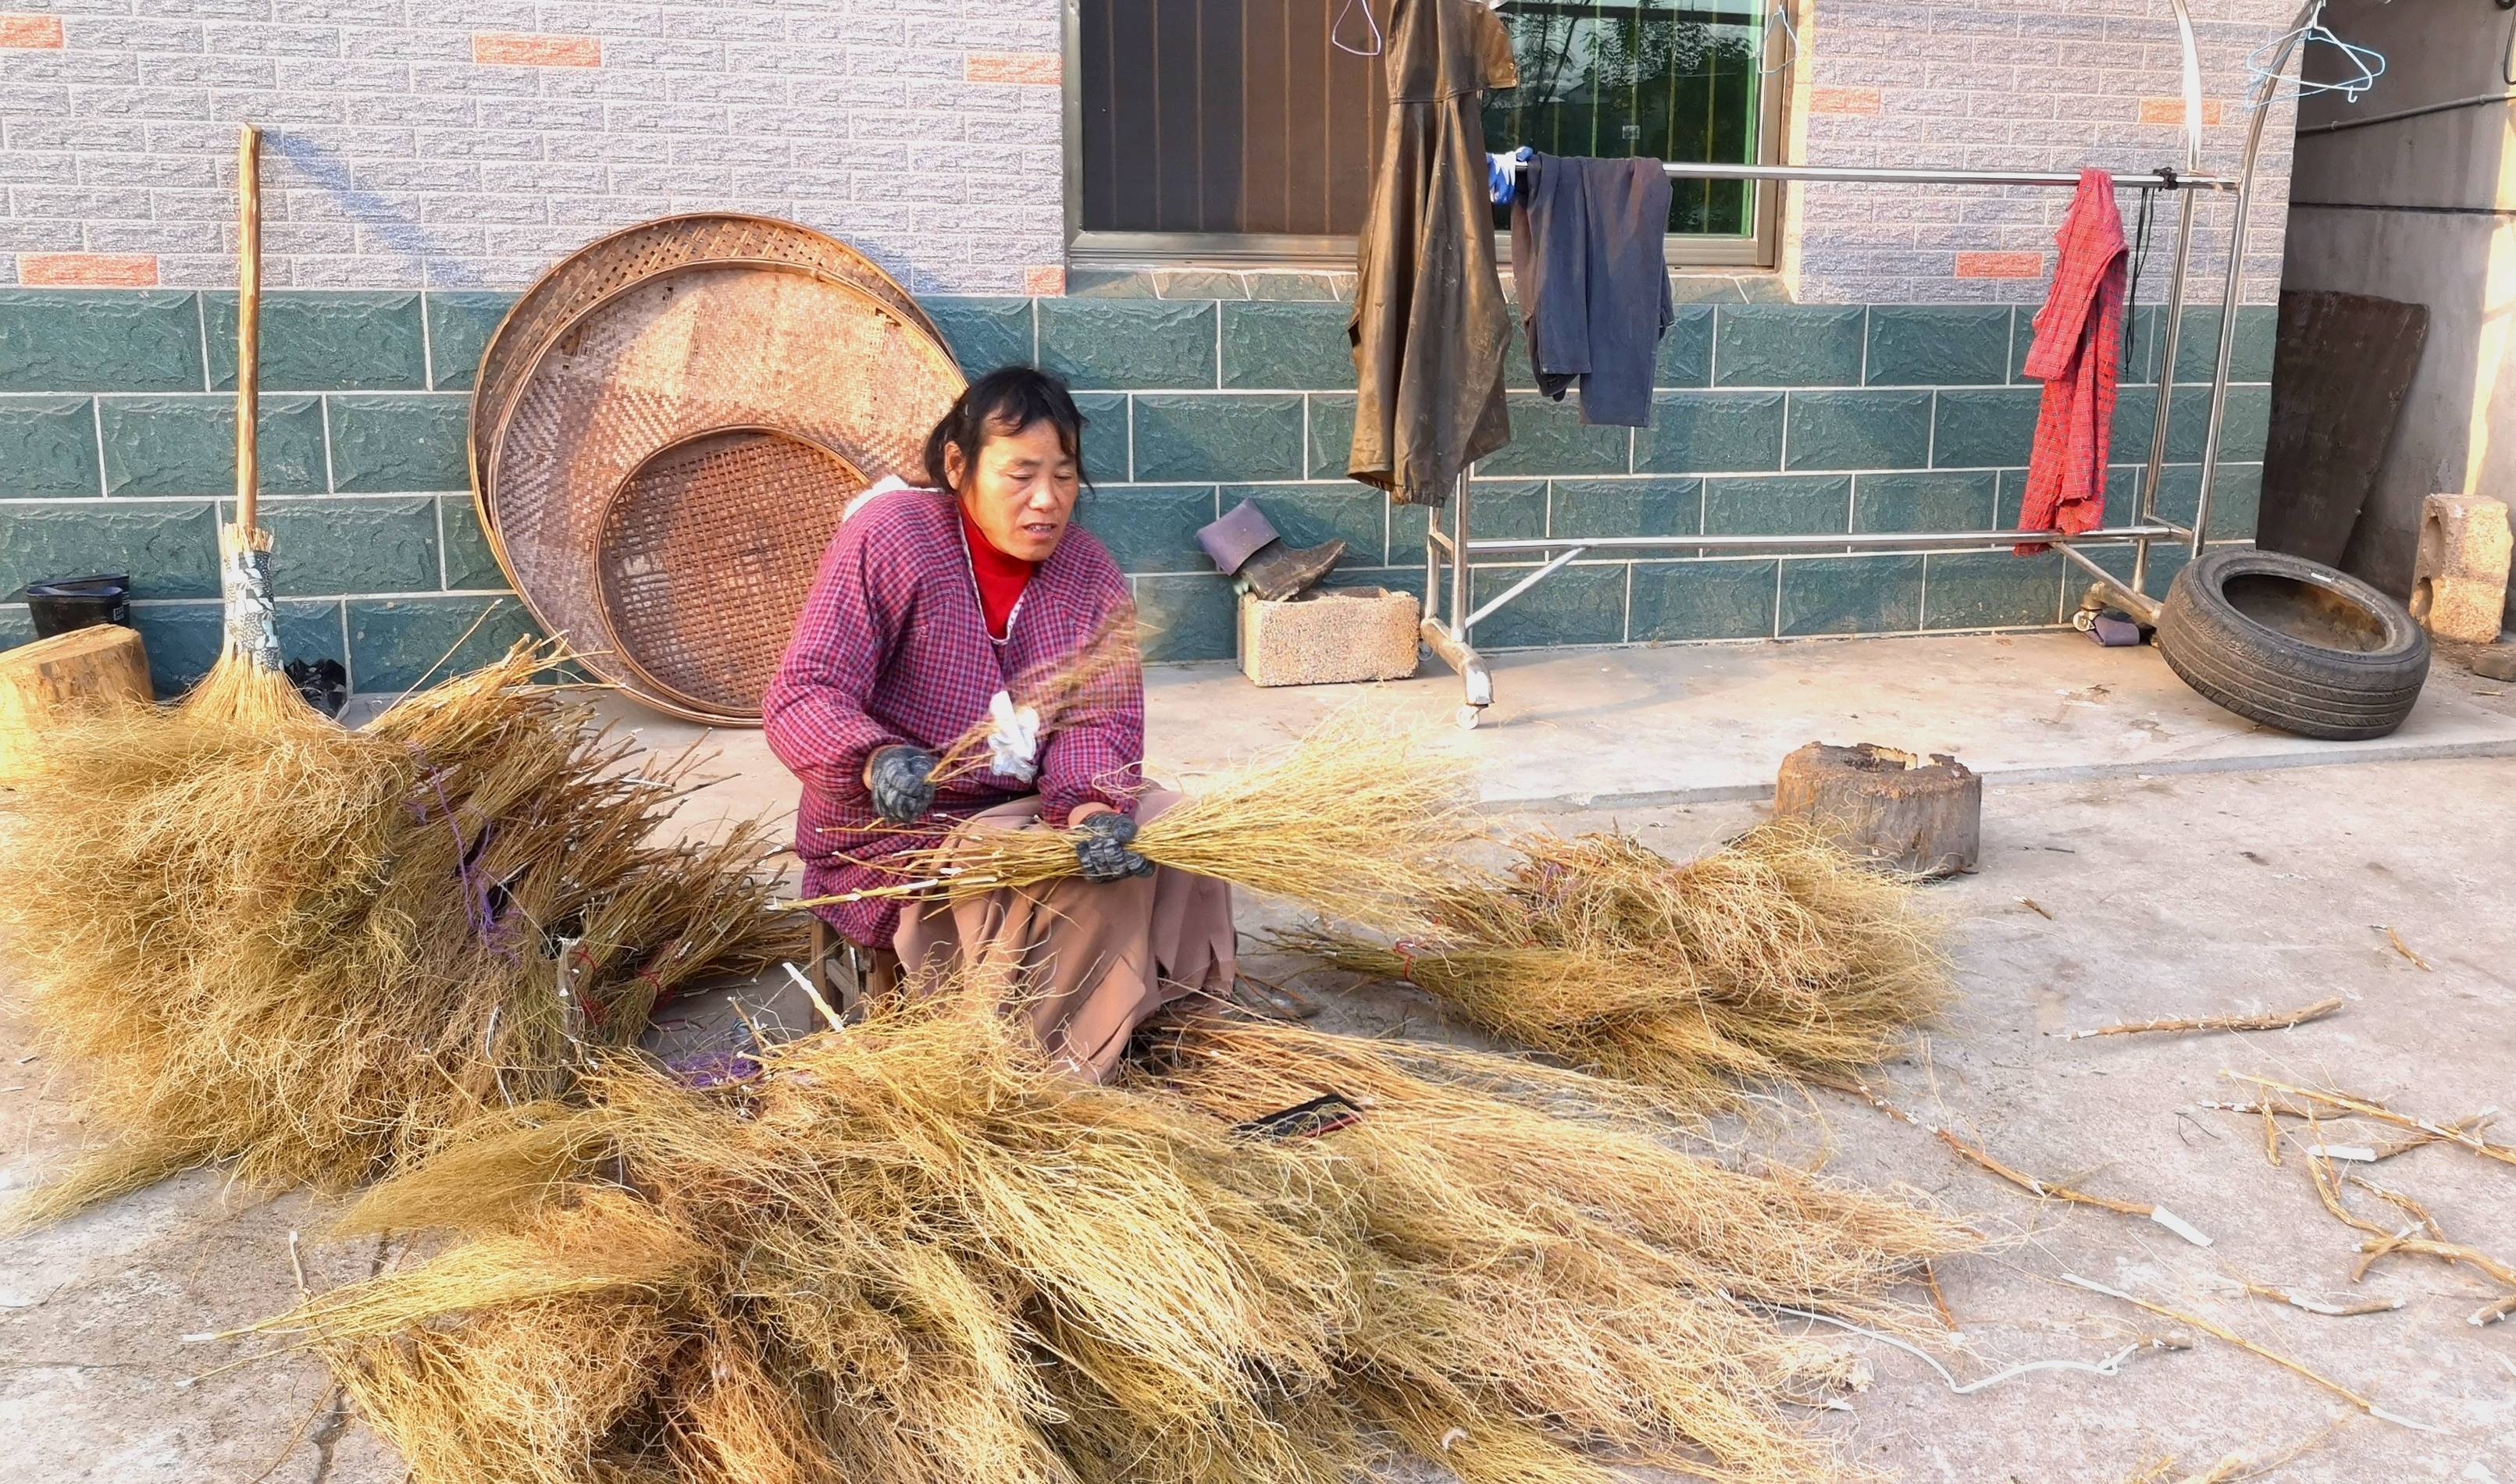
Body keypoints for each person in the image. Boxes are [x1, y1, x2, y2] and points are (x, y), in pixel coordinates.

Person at [763, 366, 1235, 1081]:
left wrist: (1088, 808)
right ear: (959, 466)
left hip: (1028, 809)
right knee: (1072, 886)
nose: (1047, 501)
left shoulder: (1088, 572)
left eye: (1065, 476)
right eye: (1020, 475)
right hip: (901, 830)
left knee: (1174, 831)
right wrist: (874, 759)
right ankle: (1029, 1079)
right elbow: (806, 689)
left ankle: (1169, 1035)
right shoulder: (891, 537)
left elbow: (1100, 721)